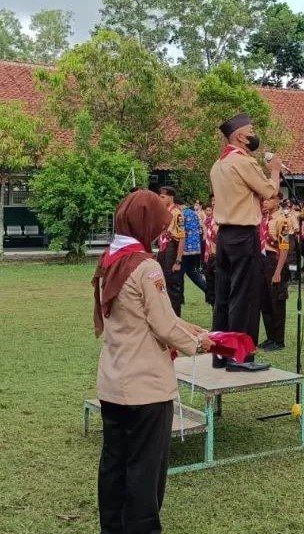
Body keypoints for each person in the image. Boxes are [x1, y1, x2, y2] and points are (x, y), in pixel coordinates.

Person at [93, 190, 213, 533]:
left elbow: (143, 316)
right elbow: (162, 324)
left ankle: (112, 528)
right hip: (146, 385)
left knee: (114, 463)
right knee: (146, 469)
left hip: (114, 380)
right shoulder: (145, 266)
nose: (162, 233)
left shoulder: (111, 258)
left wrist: (189, 327)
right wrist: (199, 342)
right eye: (159, 225)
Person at [209, 113, 280, 370]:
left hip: (225, 234)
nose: (253, 135)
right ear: (240, 136)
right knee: (245, 296)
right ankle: (240, 357)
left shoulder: (219, 164)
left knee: (223, 296)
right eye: (250, 131)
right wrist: (275, 170)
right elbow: (270, 191)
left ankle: (220, 353)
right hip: (244, 234)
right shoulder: (243, 161)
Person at [258, 196, 290, 351]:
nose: (265, 202)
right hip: (262, 261)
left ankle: (278, 340)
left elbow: (284, 247)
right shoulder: (264, 219)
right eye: (264, 200)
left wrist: (278, 271)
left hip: (275, 261)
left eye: (269, 200)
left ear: (277, 201)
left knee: (276, 303)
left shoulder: (282, 220)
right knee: (265, 302)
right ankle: (270, 337)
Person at [155, 187, 187, 316]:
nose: (160, 199)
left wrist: (178, 261)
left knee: (173, 285)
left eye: (162, 197)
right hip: (163, 250)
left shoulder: (176, 213)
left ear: (170, 197)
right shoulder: (164, 212)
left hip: (172, 250)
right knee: (161, 283)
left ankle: (176, 317)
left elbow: (181, 237)